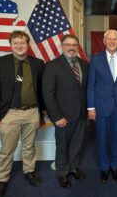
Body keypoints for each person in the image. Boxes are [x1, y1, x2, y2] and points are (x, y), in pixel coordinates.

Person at [0, 30, 44, 197]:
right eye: (16, 43)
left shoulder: (38, 63)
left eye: (23, 43)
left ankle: (29, 171)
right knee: (7, 149)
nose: (20, 46)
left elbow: (41, 89)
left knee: (29, 146)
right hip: (9, 114)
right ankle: (2, 179)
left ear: (28, 45)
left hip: (32, 112)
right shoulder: (0, 63)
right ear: (11, 45)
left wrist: (44, 110)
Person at [42, 34, 88, 188]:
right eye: (68, 44)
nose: (71, 48)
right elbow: (48, 93)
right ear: (62, 47)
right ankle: (62, 173)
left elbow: (85, 89)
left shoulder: (84, 64)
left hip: (81, 114)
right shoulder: (52, 65)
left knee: (77, 143)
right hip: (63, 116)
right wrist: (57, 116)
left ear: (78, 47)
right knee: (62, 145)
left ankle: (73, 167)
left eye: (74, 45)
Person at [87, 29, 117, 183]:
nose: (112, 42)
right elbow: (91, 85)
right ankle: (104, 168)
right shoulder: (95, 59)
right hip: (101, 107)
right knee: (101, 138)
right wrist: (91, 107)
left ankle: (115, 166)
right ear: (104, 41)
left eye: (115, 39)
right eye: (109, 39)